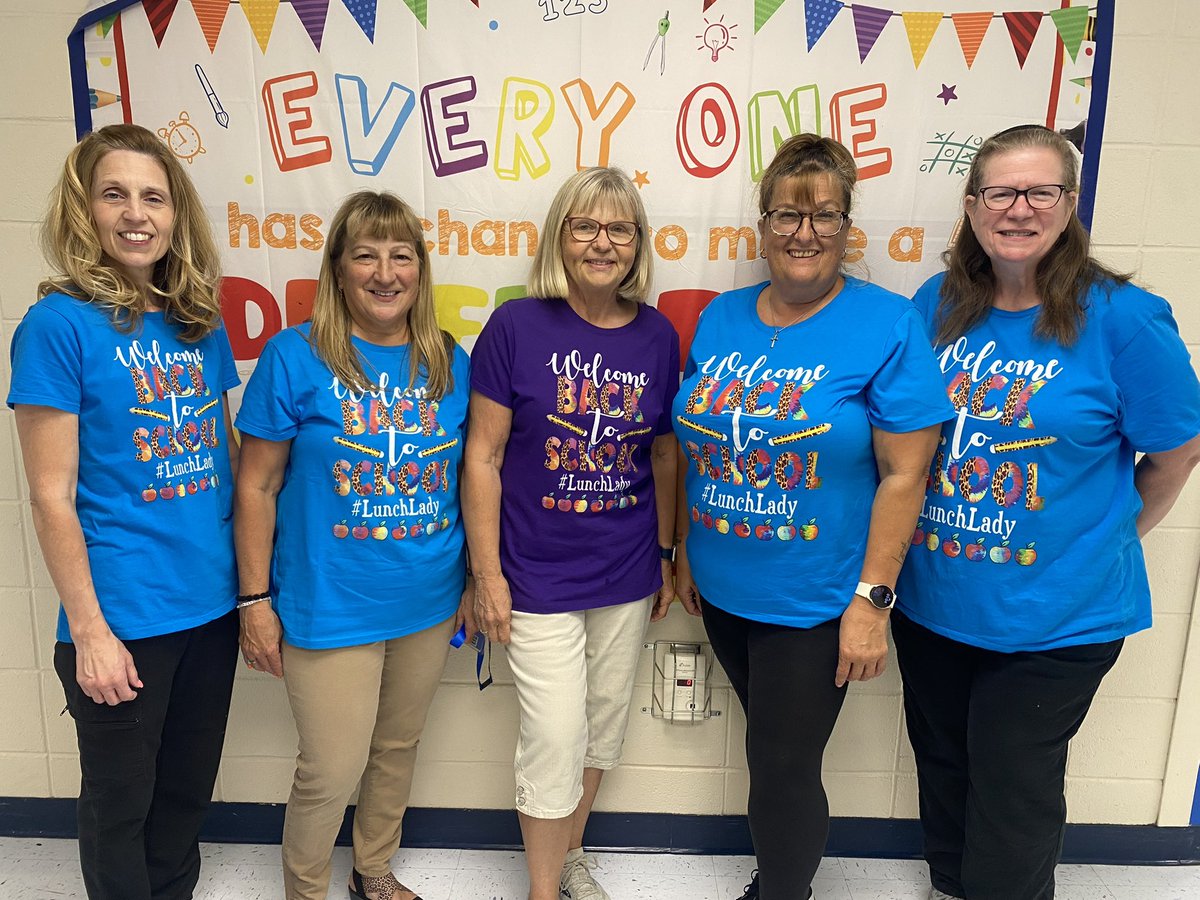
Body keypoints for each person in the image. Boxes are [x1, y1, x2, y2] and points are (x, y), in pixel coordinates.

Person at [894, 124, 1200, 900]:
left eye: (1040, 191)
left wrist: (1109, 538)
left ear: (1069, 204)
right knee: (944, 767)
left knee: (1013, 793)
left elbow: (1176, 455)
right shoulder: (938, 305)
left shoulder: (1125, 318)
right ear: (973, 206)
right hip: (935, 602)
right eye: (1001, 192)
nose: (1019, 209)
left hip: (1057, 618)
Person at [671, 133, 953, 900]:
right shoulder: (722, 318)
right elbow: (699, 441)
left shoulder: (887, 324)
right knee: (770, 754)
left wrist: (872, 601)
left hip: (816, 603)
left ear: (846, 228)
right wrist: (686, 546)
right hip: (724, 590)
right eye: (788, 215)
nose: (805, 232)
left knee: (782, 769)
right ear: (762, 226)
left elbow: (907, 474)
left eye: (825, 215)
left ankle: (781, 892)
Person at [8, 123, 240, 900]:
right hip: (122, 619)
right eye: (115, 194)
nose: (136, 213)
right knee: (121, 808)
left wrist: (250, 590)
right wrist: (91, 635)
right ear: (85, 211)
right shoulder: (57, 326)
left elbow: (224, 460)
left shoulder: (197, 321)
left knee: (184, 796)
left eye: (153, 197)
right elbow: (50, 496)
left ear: (177, 215)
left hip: (210, 610)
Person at [234, 191, 472, 900]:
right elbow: (256, 486)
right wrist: (253, 601)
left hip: (428, 596)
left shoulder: (447, 360)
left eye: (401, 255)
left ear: (420, 268)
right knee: (330, 769)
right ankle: (306, 890)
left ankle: (373, 869)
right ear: (338, 268)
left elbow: (467, 477)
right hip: (329, 600)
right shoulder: (294, 356)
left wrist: (470, 581)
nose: (385, 273)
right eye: (366, 255)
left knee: (396, 748)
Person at [463, 166, 679, 900]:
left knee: (601, 728)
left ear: (637, 243)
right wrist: (487, 576)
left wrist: (665, 554)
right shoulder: (515, 326)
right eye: (585, 226)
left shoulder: (657, 335)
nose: (602, 243)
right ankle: (543, 889)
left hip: (626, 570)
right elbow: (483, 457)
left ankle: (572, 855)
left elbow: (662, 454)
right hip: (534, 575)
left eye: (619, 229)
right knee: (553, 737)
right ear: (560, 236)